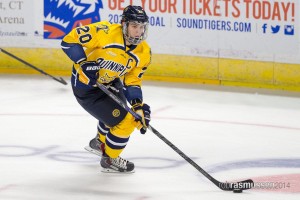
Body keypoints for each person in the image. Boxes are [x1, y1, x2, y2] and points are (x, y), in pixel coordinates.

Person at [61, 5, 152, 173]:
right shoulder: (105, 32)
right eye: (134, 26)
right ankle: (109, 159)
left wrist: (138, 106)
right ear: (124, 24)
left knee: (126, 114)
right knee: (126, 122)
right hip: (87, 87)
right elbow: (68, 41)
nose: (138, 31)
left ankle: (99, 143)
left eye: (141, 27)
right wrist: (83, 63)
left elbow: (132, 80)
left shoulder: (144, 52)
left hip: (110, 81)